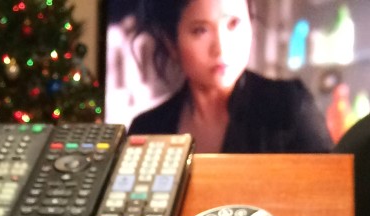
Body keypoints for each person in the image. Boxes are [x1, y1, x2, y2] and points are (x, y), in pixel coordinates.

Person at [127, 0, 332, 153]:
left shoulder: (288, 108)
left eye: (234, 23)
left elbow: (330, 191)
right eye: (200, 30)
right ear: (171, 43)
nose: (221, 48)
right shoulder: (148, 130)